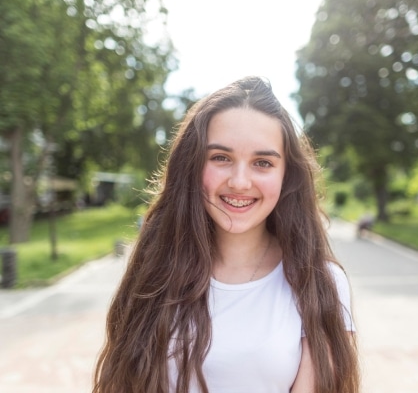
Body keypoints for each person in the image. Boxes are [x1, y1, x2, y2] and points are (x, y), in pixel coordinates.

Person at [93, 76, 359, 393]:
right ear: (192, 164)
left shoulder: (320, 283)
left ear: (286, 175)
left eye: (263, 162)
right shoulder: (155, 268)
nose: (240, 182)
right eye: (221, 158)